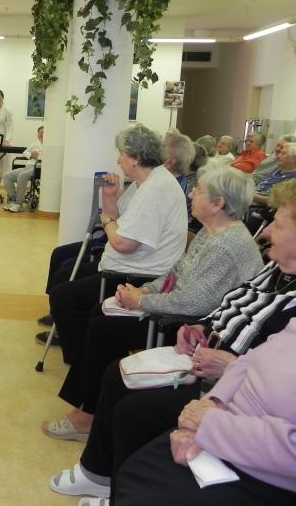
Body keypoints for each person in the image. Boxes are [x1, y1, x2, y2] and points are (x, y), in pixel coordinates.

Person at [47, 178, 296, 501]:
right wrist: (200, 327)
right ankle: (98, 473)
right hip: (209, 358)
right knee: (116, 369)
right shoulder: (278, 266)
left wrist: (145, 301)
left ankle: (109, 481)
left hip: (231, 387)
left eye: (279, 224)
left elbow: (281, 370)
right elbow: (225, 301)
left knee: (133, 409)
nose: (266, 231)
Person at [42, 168, 263, 444]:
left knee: (103, 329)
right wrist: (145, 289)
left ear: (218, 203)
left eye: (199, 191)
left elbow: (194, 302)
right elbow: (176, 273)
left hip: (192, 327)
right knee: (99, 315)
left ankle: (86, 416)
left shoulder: (226, 245)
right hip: (181, 311)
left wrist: (140, 300)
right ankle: (90, 404)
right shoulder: (212, 233)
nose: (191, 194)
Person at [114, 295, 296, 506]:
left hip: (282, 472)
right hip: (227, 420)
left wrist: (209, 424)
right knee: (136, 469)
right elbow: (252, 358)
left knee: (145, 485)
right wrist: (213, 402)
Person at [40, 124, 188, 364]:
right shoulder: (143, 183)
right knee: (63, 276)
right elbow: (118, 218)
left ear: (136, 158)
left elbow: (122, 243)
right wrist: (110, 197)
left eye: (122, 154)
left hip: (138, 275)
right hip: (124, 265)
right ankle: (81, 352)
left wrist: (106, 220)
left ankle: (80, 361)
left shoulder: (155, 190)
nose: (118, 160)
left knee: (63, 297)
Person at [3, 125, 43, 212]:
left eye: (43, 133)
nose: (41, 134)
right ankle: (13, 200)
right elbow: (25, 152)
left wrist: (38, 157)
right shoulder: (35, 143)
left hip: (38, 168)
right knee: (7, 175)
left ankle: (19, 204)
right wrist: (31, 155)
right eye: (39, 132)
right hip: (28, 166)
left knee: (22, 175)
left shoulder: (48, 145)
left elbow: (49, 159)